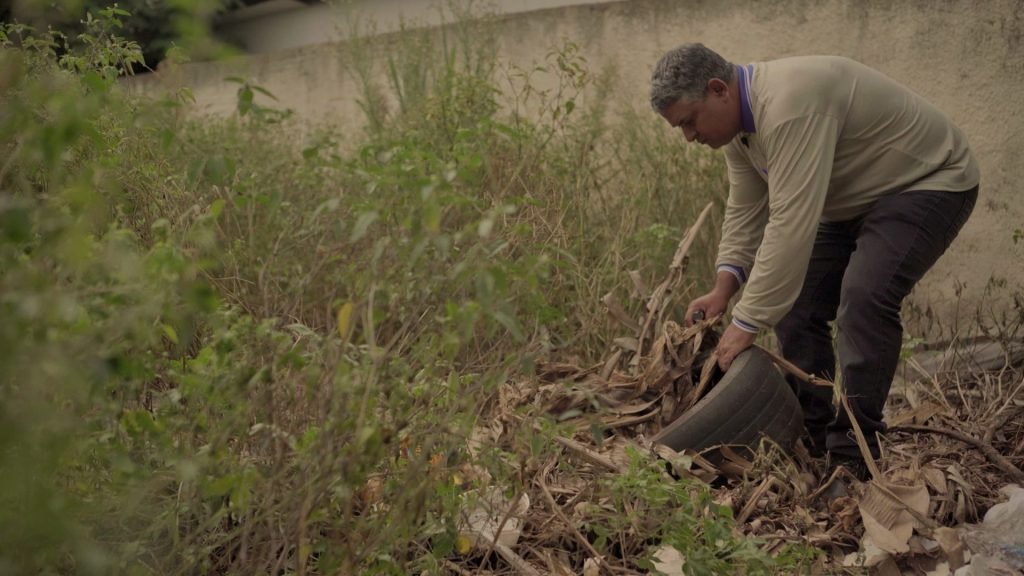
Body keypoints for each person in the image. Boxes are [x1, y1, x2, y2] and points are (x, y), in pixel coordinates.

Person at [649, 43, 979, 473]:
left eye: (689, 122)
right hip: (852, 201)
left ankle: (854, 452)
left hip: (929, 180)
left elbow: (789, 223)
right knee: (797, 306)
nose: (689, 137)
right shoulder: (739, 130)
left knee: (864, 301)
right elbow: (747, 208)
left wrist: (744, 324)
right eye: (681, 128)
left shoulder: (789, 104)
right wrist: (723, 289)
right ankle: (815, 433)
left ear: (718, 90)